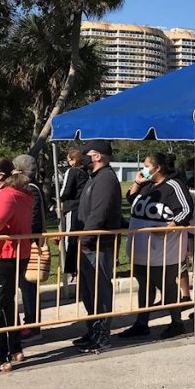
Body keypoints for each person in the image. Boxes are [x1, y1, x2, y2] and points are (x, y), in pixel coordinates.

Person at [118, 153, 193, 340]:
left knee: (166, 287)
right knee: (144, 286)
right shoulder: (148, 185)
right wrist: (137, 182)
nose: (143, 168)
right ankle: (142, 323)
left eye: (146, 165)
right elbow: (131, 199)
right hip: (141, 250)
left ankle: (177, 323)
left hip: (164, 251)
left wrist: (168, 229)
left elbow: (186, 209)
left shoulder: (174, 185)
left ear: (158, 168)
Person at [0, 158, 33, 373]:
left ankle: (2, 355)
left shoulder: (6, 194)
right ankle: (15, 347)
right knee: (7, 302)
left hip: (4, 253)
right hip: (19, 252)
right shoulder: (25, 193)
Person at [73, 142, 124, 352]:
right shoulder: (96, 177)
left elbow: (99, 213)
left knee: (100, 290)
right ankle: (93, 330)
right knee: (89, 291)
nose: (83, 158)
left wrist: (86, 240)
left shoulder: (106, 179)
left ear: (97, 156)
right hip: (90, 243)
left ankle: (102, 335)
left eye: (87, 154)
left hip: (98, 244)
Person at [12, 154, 46, 338]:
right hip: (29, 241)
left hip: (29, 242)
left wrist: (25, 236)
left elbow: (32, 217)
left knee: (28, 286)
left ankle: (32, 326)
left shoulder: (30, 188)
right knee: (26, 286)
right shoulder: (34, 186)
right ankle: (31, 323)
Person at [58, 149, 89, 282]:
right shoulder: (85, 172)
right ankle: (78, 268)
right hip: (82, 208)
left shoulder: (72, 171)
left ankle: (71, 270)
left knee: (69, 239)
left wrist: (58, 199)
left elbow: (65, 190)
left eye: (69, 159)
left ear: (73, 160)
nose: (68, 162)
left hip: (72, 208)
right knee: (78, 238)